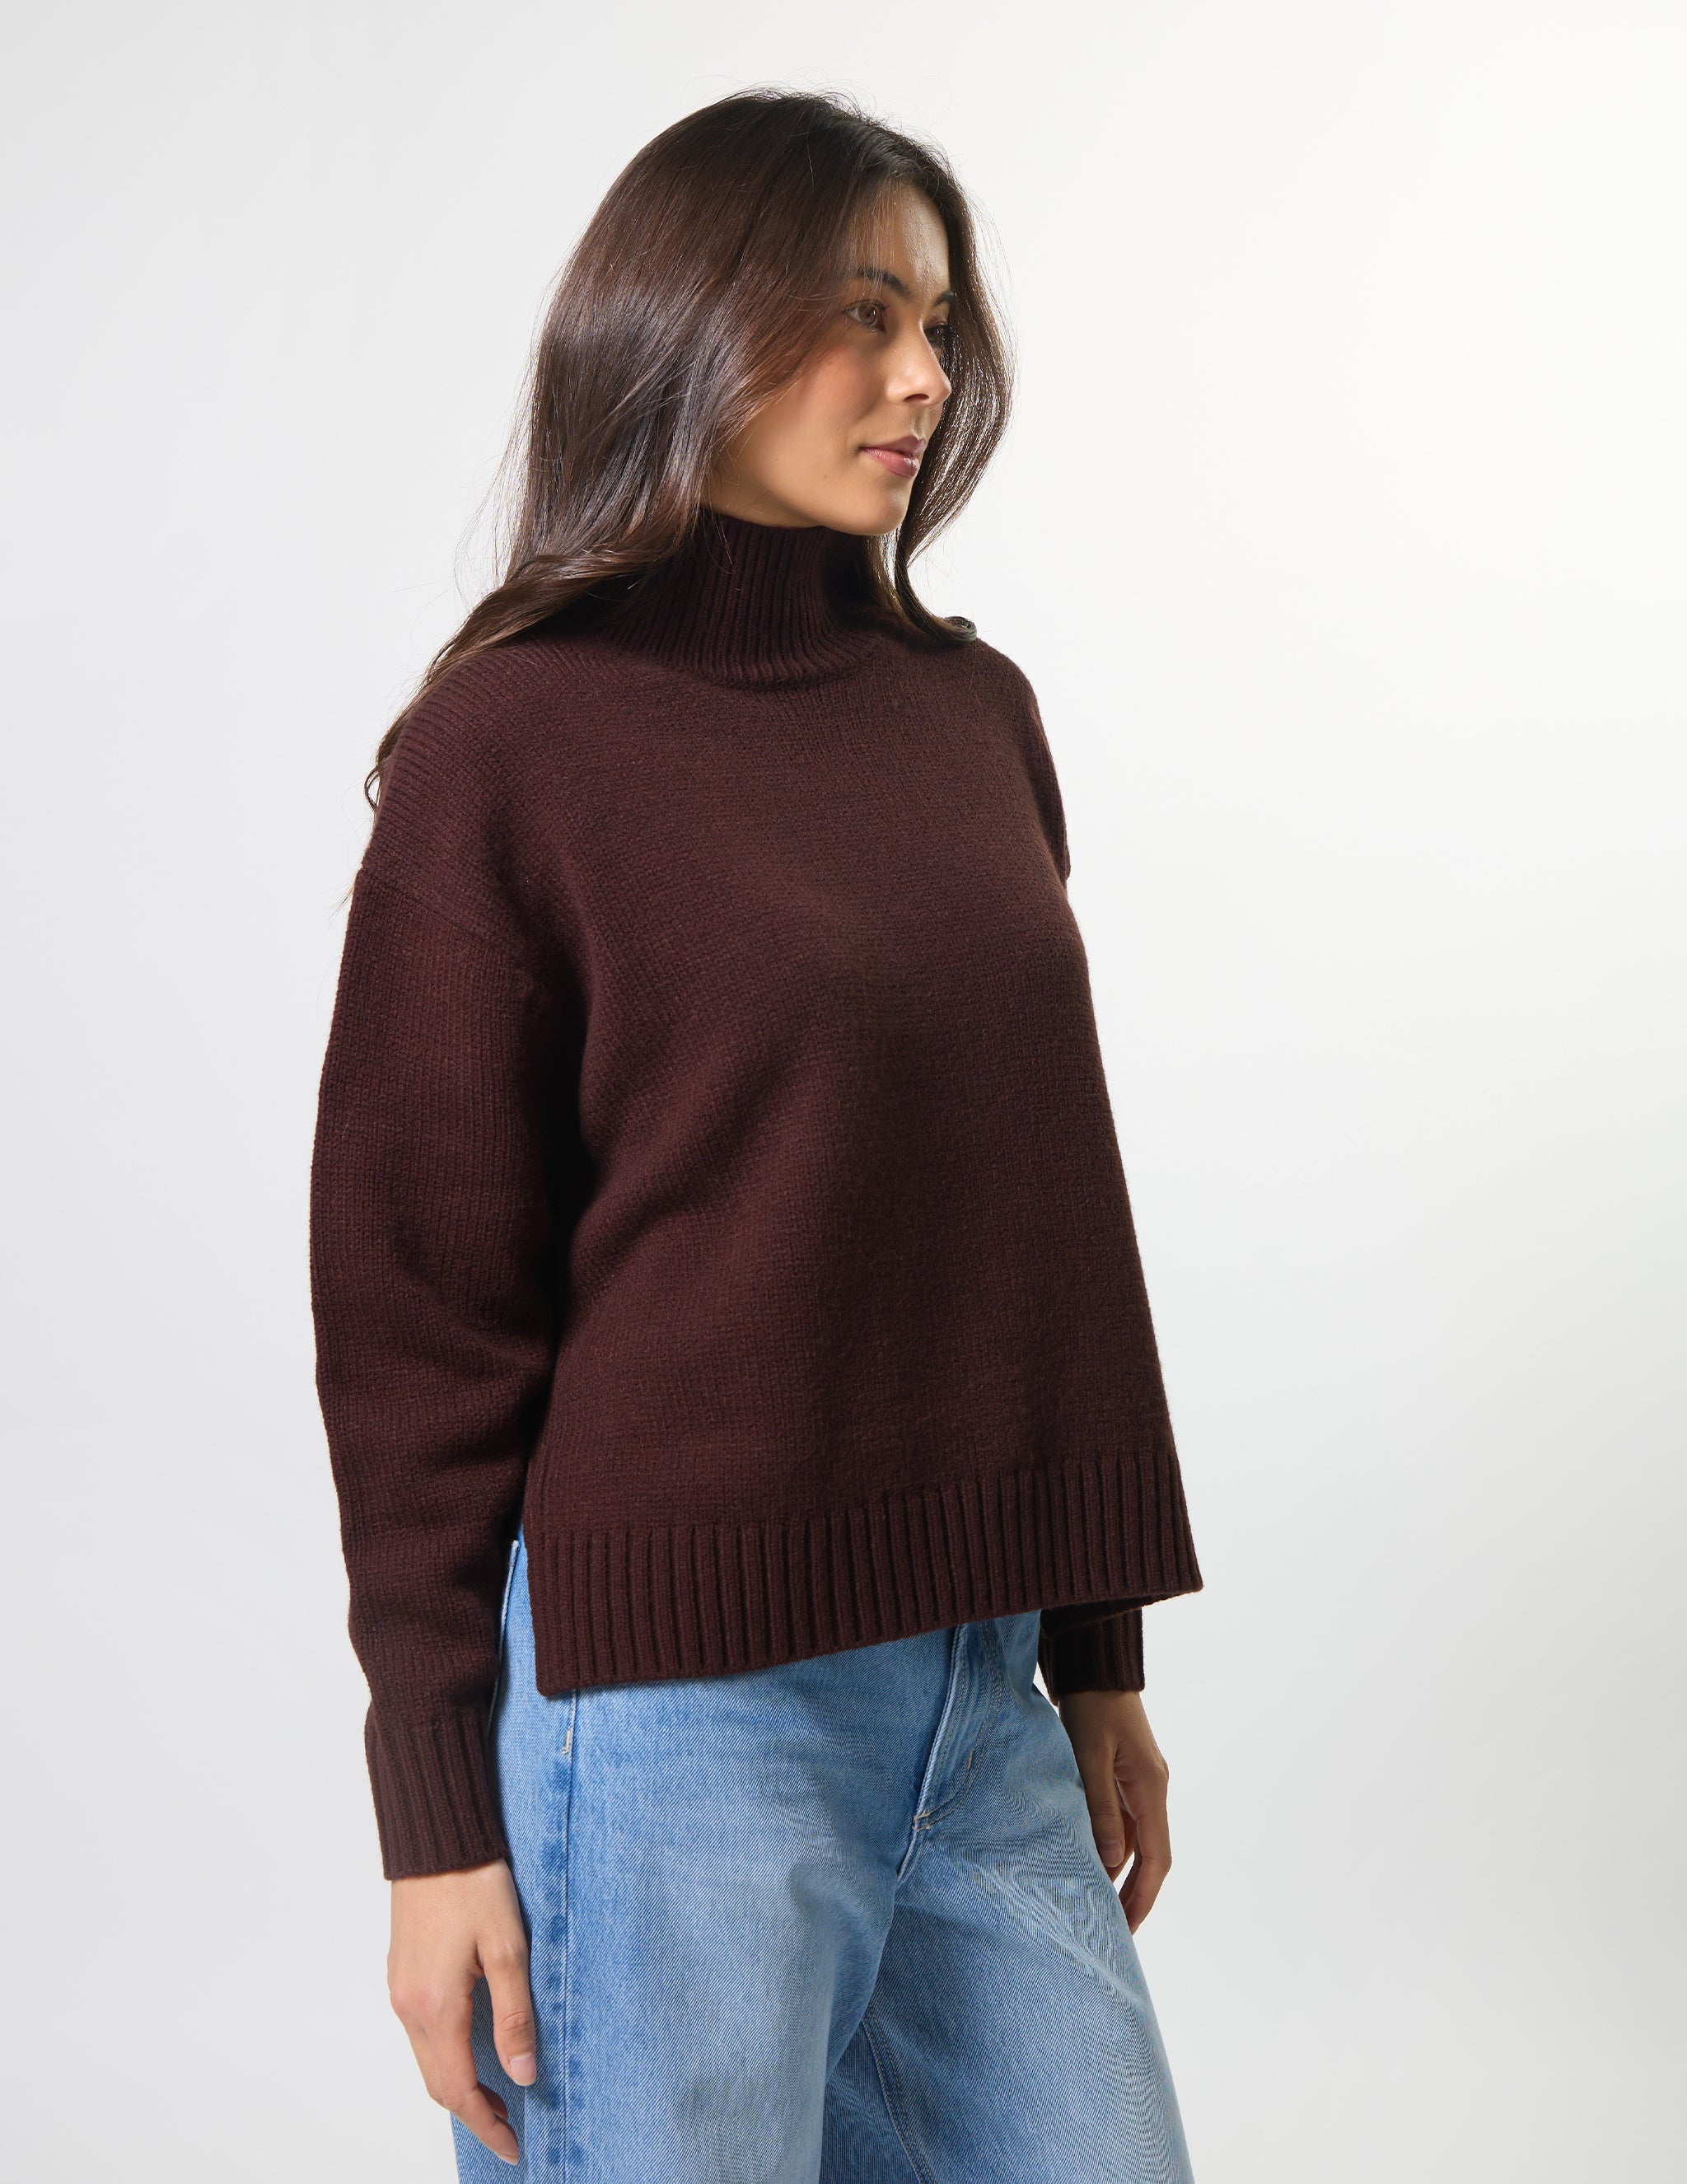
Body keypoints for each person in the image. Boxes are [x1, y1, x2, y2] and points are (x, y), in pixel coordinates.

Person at [310, 86, 1204, 2182]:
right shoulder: (514, 746)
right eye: (861, 314)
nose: (923, 374)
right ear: (685, 327)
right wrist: (434, 1822)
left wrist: (1091, 1651)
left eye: (939, 325)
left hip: (976, 1692)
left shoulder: (966, 712)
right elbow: (415, 1316)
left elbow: (1031, 1205)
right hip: (672, 1727)